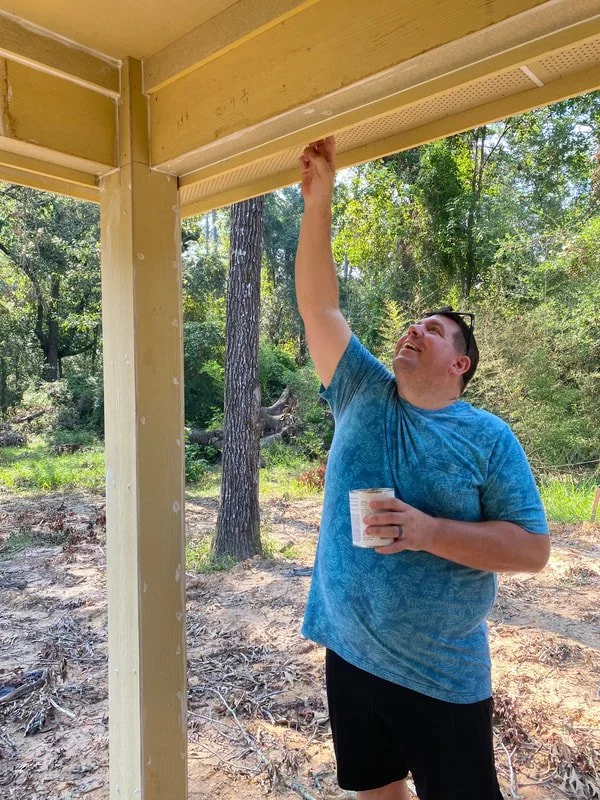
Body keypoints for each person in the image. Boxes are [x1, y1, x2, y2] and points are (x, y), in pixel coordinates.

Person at [295, 136, 550, 800]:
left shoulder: (488, 439)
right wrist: (319, 200)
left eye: (433, 330)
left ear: (459, 363)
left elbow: (532, 550)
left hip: (441, 672)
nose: (414, 330)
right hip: (348, 653)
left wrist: (426, 530)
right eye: (411, 325)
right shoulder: (358, 389)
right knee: (376, 794)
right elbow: (320, 307)